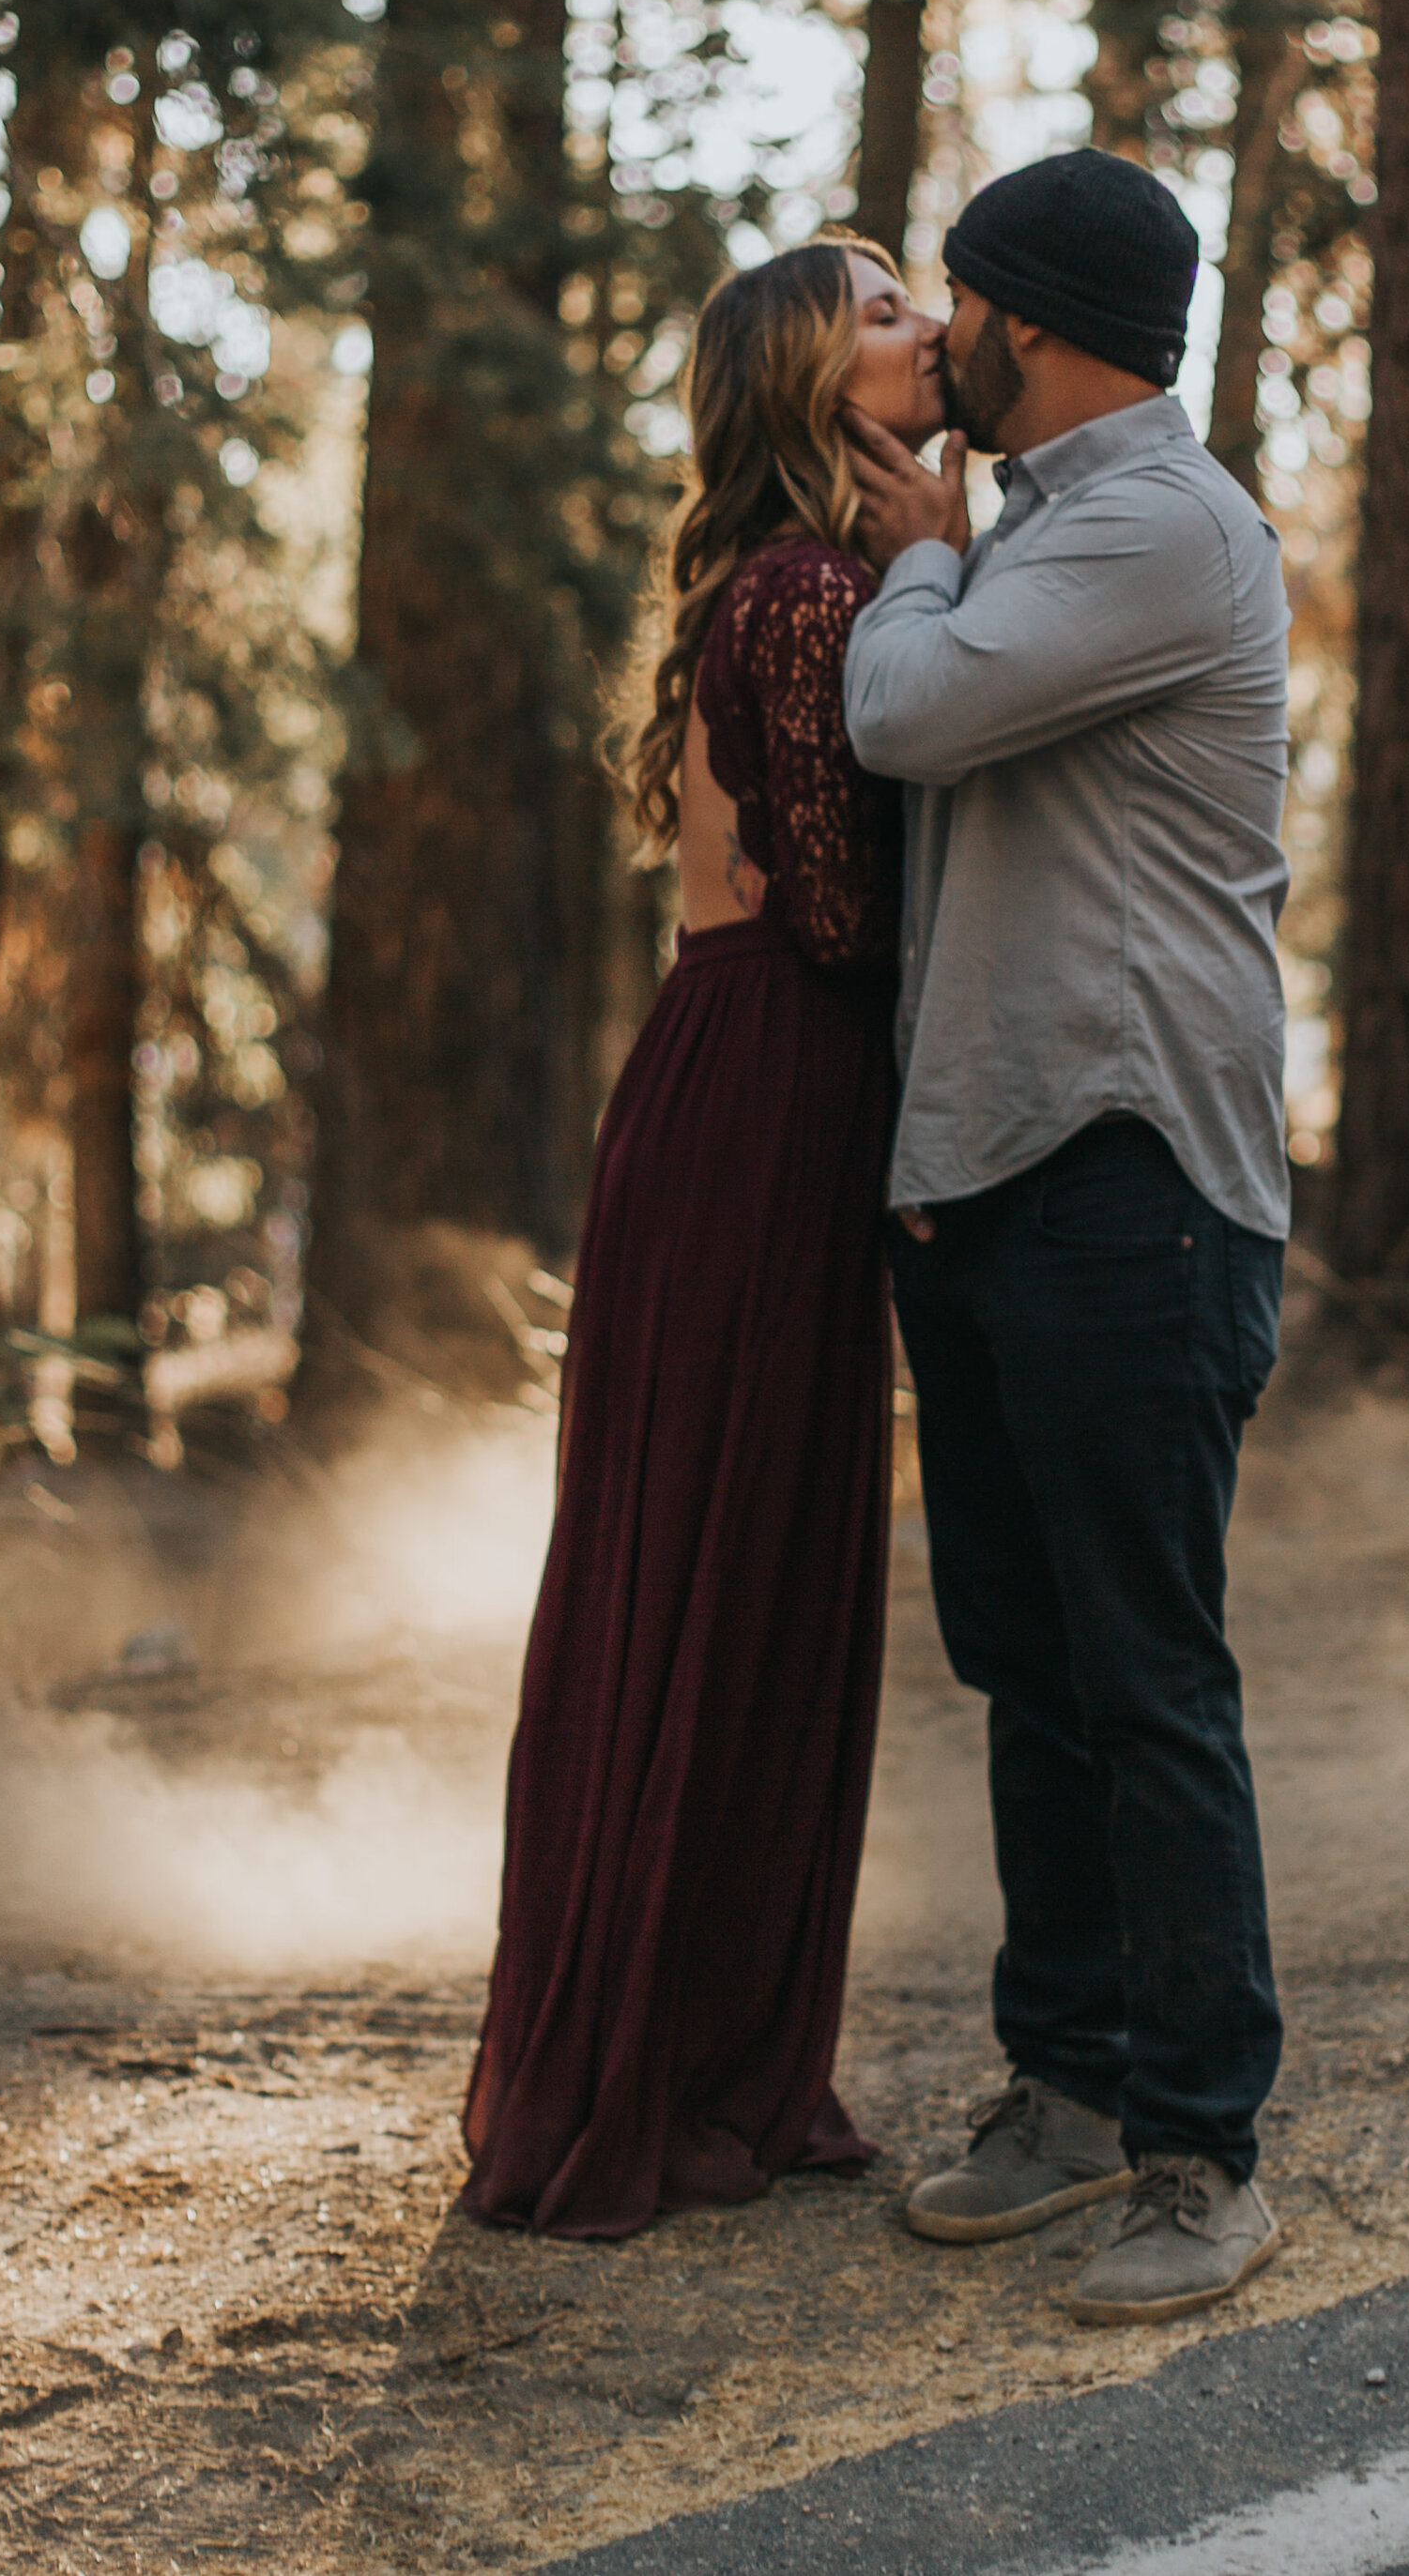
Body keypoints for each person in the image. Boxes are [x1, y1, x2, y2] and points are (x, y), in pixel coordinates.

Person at [842, 147, 1292, 2328]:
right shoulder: (1048, 532)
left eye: (955, 307)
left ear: (1032, 319)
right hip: (1000, 1172)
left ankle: (1202, 2150)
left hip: (1129, 1178)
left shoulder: (1145, 527)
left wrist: (914, 553)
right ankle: (1072, 2087)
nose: (937, 345)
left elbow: (908, 712)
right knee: (1031, 1667)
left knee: (1144, 1676)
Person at [461, 239, 947, 2240]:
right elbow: (844, 917)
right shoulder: (821, 592)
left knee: (714, 1575)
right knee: (730, 1573)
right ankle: (669, 2074)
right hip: (768, 1100)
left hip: (728, 1089)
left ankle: (686, 2049)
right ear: (815, 379)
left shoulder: (779, 584)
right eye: (895, 309)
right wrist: (936, 579)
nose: (938, 329)